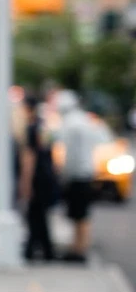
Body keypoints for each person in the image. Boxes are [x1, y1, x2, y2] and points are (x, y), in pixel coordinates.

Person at [57, 90, 97, 262]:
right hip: (85, 172)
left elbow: (70, 154)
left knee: (80, 214)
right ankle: (78, 246)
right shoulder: (84, 120)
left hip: (78, 174)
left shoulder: (71, 124)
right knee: (79, 214)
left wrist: (64, 174)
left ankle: (80, 249)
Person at [18, 95, 58, 262]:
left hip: (37, 178)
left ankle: (35, 250)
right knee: (40, 215)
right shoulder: (43, 126)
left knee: (35, 215)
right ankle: (44, 249)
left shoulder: (31, 128)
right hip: (47, 176)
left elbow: (30, 158)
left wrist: (25, 183)